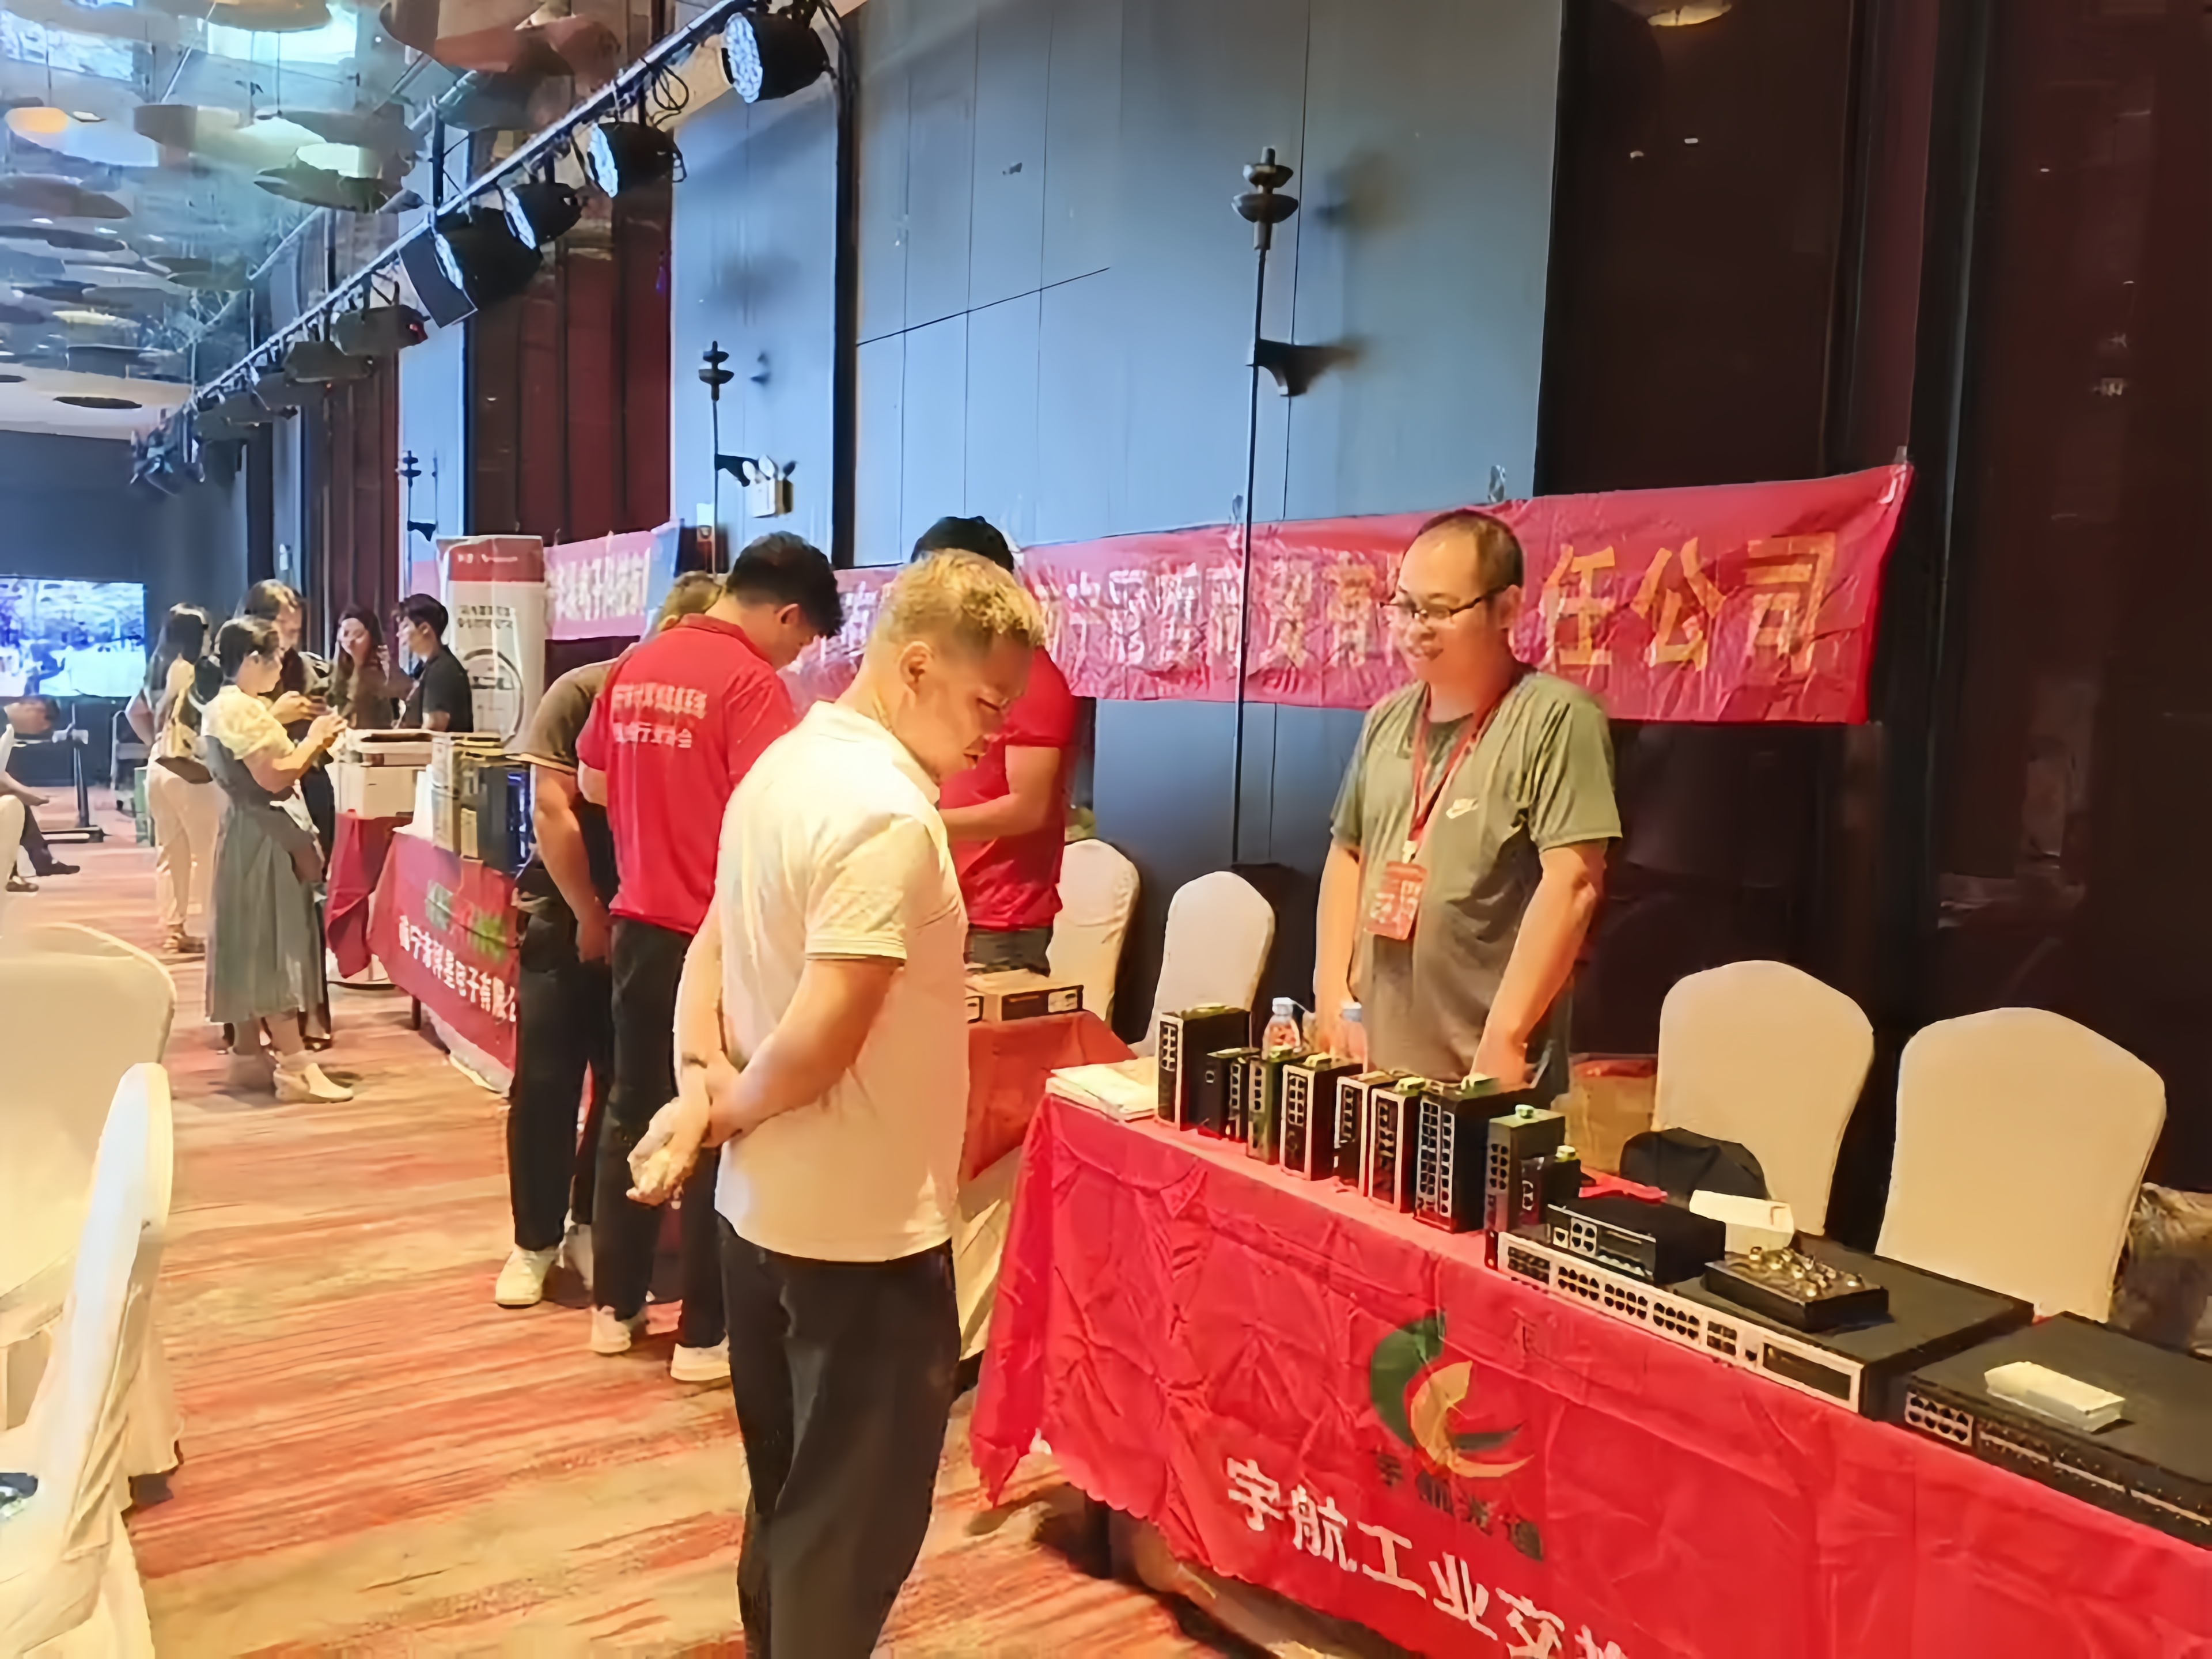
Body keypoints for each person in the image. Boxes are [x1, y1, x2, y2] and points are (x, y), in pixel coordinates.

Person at [626, 551, 1043, 1658]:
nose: (997, 732)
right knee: (845, 1533)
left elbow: (712, 947)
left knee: (791, 1501)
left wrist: (700, 1088)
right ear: (916, 666)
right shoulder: (886, 816)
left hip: (762, 1218)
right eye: (986, 702)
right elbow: (823, 1035)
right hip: (861, 1236)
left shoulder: (785, 764)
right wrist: (715, 1108)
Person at [574, 537, 842, 1380]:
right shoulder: (751, 685)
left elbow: (591, 783)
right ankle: (702, 1335)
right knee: (718, 1117)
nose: (796, 658)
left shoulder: (637, 663)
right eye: (802, 641)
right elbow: (778, 814)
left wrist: (658, 801)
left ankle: (614, 1308)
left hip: (637, 923)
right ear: (787, 614)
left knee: (629, 1107)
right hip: (718, 937)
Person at [1313, 510, 1620, 1099]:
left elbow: (1574, 882)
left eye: (1440, 610)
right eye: (1405, 607)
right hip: (1371, 1066)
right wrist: (1331, 991)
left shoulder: (1556, 718)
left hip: (1484, 1078)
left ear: (1506, 608)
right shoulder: (1387, 720)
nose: (1415, 628)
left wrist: (1506, 1039)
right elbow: (1347, 852)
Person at [495, 571, 724, 1310]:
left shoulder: (714, 704)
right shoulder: (584, 692)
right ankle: (533, 1241)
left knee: (626, 1087)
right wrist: (589, 914)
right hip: (568, 917)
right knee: (547, 1084)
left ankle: (591, 1223)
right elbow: (553, 812)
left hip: (650, 927)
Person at [915, 517, 1080, 976]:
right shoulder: (956, 669)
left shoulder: (1032, 678)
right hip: (944, 905)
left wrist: (920, 823)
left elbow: (1027, 809)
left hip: (998, 925)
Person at [202, 616, 352, 1104]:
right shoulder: (239, 709)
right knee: (273, 944)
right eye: (276, 660)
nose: (279, 669)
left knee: (250, 941)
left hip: (250, 832)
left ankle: (249, 1053)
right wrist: (315, 739)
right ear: (252, 659)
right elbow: (274, 776)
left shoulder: (233, 705)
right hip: (265, 835)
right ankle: (296, 1068)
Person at [132, 604, 221, 953]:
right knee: (207, 851)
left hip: (159, 762)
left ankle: (175, 928)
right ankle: (212, 930)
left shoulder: (156, 668)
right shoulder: (195, 670)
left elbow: (133, 712)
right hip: (189, 767)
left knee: (170, 851)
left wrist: (155, 743)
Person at [242, 581, 336, 854]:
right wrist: (275, 717)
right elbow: (220, 739)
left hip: (306, 783)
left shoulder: (303, 666)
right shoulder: (227, 668)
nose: (288, 638)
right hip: (254, 793)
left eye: (295, 630)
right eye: (282, 626)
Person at [396, 594, 474, 734]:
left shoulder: (443, 670)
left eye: (405, 627)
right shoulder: (425, 668)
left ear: (425, 628)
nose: (399, 634)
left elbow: (435, 726)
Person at [329, 605, 407, 730]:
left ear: (372, 638)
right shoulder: (334, 672)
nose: (350, 641)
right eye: (346, 634)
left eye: (358, 635)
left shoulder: (384, 671)